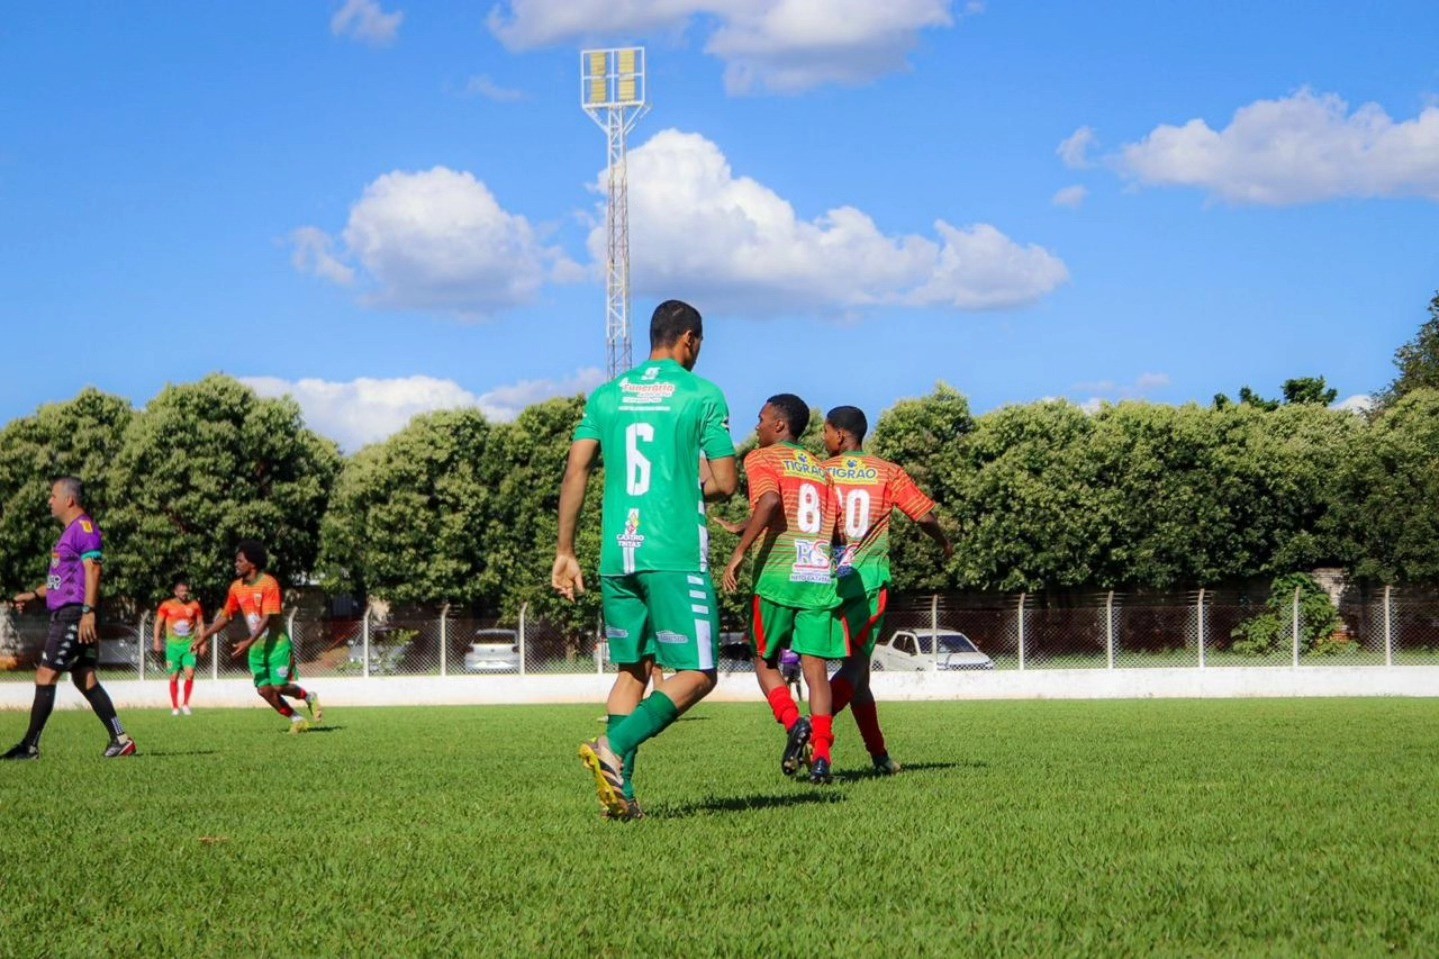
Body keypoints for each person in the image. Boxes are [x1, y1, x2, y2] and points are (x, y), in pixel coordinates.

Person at [554, 299, 737, 821]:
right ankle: (612, 747)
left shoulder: (607, 395)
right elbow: (725, 482)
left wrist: (565, 551)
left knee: (633, 669)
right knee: (699, 673)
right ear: (690, 340)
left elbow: (576, 472)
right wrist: (685, 486)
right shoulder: (701, 394)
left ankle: (622, 795)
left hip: (617, 553)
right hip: (672, 553)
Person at [822, 405, 953, 774]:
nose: (823, 438)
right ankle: (812, 730)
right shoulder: (887, 471)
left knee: (860, 678)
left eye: (825, 431)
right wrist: (944, 542)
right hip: (867, 580)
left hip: (826, 579)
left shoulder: (821, 470)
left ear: (840, 434)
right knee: (856, 665)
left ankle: (880, 757)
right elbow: (922, 515)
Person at [721, 394, 844, 785]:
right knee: (816, 670)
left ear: (779, 425)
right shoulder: (820, 469)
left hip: (777, 577)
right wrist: (746, 526)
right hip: (818, 576)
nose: (756, 426)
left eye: (761, 419)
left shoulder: (761, 458)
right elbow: (834, 528)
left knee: (764, 659)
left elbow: (772, 500)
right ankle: (822, 758)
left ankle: (794, 723)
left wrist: (740, 552)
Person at [3, 476, 136, 760]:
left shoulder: (84, 529)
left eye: (53, 496)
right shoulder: (69, 534)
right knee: (84, 677)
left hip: (74, 615)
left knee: (45, 674)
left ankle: (29, 746)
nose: (49, 501)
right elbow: (61, 583)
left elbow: (94, 570)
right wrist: (34, 595)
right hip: (72, 613)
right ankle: (120, 739)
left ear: (69, 499)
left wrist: (88, 612)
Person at [197, 540, 321, 733]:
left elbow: (267, 619)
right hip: (257, 648)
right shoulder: (236, 587)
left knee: (278, 687)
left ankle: (308, 697)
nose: (236, 564)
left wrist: (247, 642)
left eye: (240, 561)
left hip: (277, 645)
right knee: (264, 690)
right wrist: (204, 636)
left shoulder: (269, 584)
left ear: (252, 563)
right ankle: (297, 719)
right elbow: (226, 616)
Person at [154, 576, 205, 715]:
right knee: (174, 676)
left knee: (190, 674)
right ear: (175, 592)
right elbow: (158, 623)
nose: (184, 593)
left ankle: (186, 704)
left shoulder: (194, 605)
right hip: (173, 647)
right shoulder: (166, 605)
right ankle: (175, 707)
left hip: (190, 646)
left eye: (186, 591)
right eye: (181, 591)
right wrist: (157, 640)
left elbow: (200, 624)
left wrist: (202, 642)